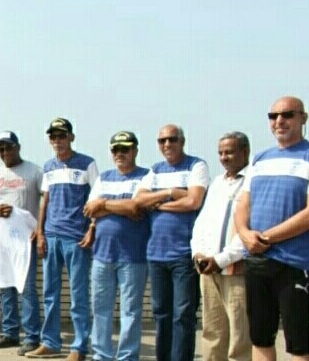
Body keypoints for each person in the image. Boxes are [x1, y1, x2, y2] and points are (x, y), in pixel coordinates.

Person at [235, 96, 309, 361]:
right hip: (257, 260)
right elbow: (243, 204)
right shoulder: (260, 158)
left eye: (287, 114)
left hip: (295, 264)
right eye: (273, 116)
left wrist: (265, 237)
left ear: (303, 118)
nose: (279, 121)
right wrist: (244, 233)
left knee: (298, 342)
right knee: (260, 337)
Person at [134, 124, 209, 361]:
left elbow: (194, 201)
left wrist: (159, 201)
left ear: (182, 141)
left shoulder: (197, 166)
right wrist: (173, 192)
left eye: (172, 139)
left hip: (184, 254)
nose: (167, 144)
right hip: (156, 254)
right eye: (162, 141)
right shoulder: (155, 169)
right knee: (161, 315)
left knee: (183, 315)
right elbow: (138, 201)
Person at [26, 118, 97, 361]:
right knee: (50, 293)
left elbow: (96, 200)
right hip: (52, 236)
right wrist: (41, 232)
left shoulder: (87, 164)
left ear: (71, 137)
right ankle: (51, 342)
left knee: (78, 296)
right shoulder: (48, 166)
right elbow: (45, 200)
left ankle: (79, 347)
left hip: (76, 238)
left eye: (62, 136)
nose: (57, 141)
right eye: (53, 137)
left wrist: (92, 229)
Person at [80, 131, 150, 361]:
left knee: (130, 312)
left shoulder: (146, 177)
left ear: (135, 151)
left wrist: (104, 203)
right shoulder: (104, 177)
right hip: (102, 254)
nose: (120, 154)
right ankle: (101, 355)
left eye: (125, 149)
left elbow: (136, 208)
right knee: (101, 310)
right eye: (115, 150)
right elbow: (91, 209)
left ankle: (127, 357)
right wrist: (111, 205)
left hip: (133, 256)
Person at [0, 131, 43, 355]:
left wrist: (41, 230)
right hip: (4, 239)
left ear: (18, 147)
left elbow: (47, 200)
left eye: (9, 147)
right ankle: (10, 333)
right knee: (6, 285)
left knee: (26, 288)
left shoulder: (34, 171)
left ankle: (33, 336)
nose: (5, 152)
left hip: (26, 239)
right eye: (1, 149)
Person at [190, 132, 251, 361]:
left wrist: (221, 260)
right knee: (213, 333)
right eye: (221, 153)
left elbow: (248, 230)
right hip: (208, 270)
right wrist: (198, 253)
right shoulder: (217, 182)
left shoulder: (253, 181)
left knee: (240, 336)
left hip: (236, 271)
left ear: (245, 152)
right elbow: (202, 222)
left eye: (230, 152)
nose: (224, 157)